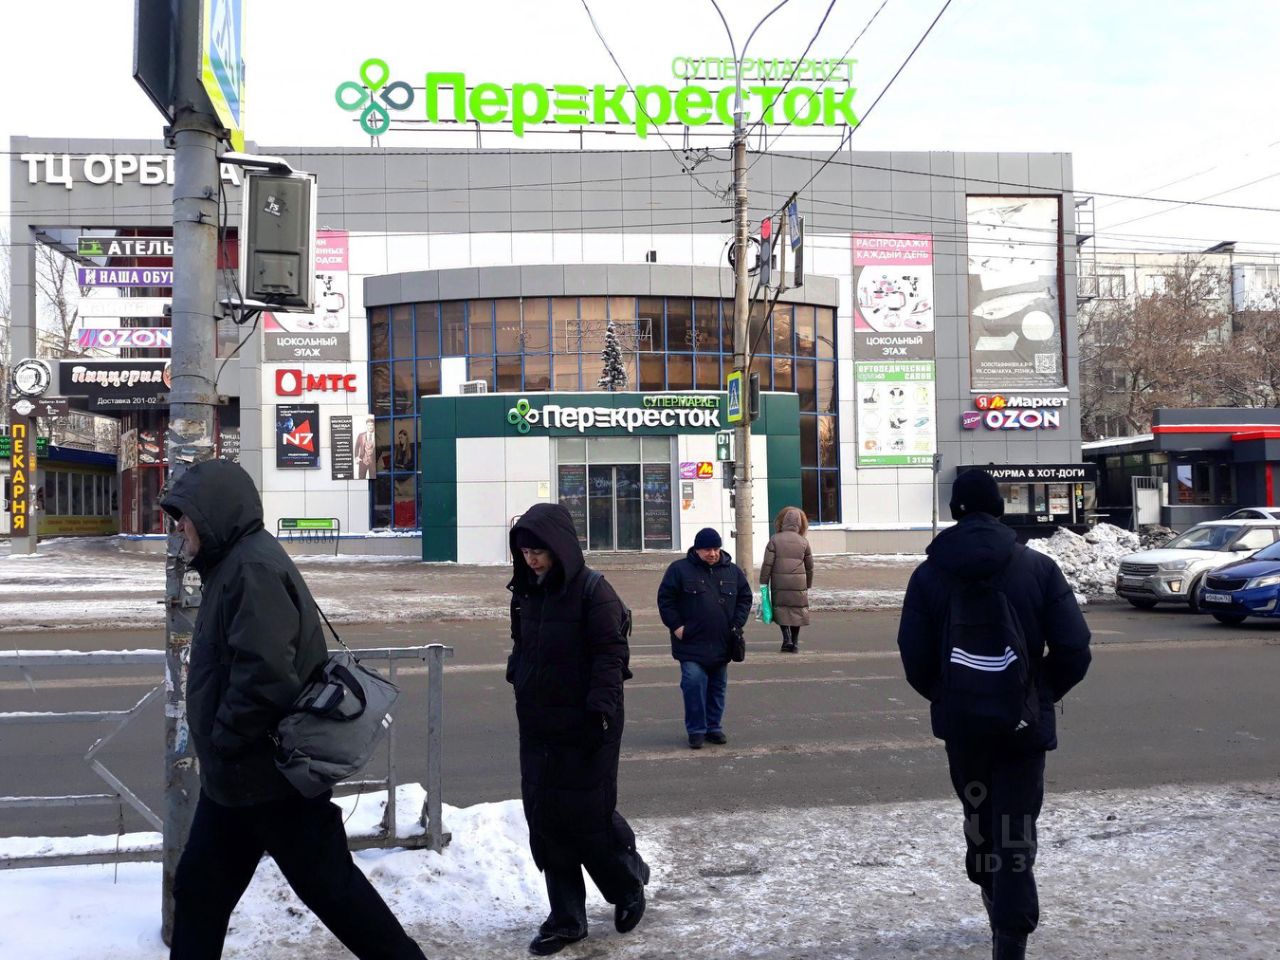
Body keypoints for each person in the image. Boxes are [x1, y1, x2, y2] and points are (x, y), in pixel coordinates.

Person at [160, 460, 427, 960]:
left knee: (334, 892)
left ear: (212, 514)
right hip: (237, 781)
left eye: (185, 517)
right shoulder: (234, 563)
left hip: (266, 777)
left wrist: (224, 738)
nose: (180, 529)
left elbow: (265, 675)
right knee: (200, 891)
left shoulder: (251, 569)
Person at [896, 469, 1091, 960]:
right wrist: (1037, 691)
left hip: (964, 727)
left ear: (954, 511)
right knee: (1016, 830)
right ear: (1000, 510)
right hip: (1023, 727)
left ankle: (990, 893)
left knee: (980, 815)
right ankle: (1010, 938)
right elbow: (1074, 648)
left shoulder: (928, 575)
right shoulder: (1038, 568)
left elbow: (914, 657)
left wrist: (947, 695)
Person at [507, 502, 650, 956]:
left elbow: (611, 655)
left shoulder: (594, 592)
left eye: (539, 551)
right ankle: (567, 920)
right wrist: (518, 674)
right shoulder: (526, 592)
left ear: (560, 547)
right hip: (539, 723)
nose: (531, 559)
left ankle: (627, 886)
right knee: (546, 821)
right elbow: (522, 644)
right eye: (525, 552)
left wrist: (600, 711)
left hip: (588, 723)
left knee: (587, 818)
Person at [657, 527, 753, 749]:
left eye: (716, 549)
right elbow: (666, 600)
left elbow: (745, 598)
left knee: (717, 688)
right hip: (691, 643)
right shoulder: (679, 570)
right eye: (708, 549)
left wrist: (737, 624)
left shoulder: (732, 571)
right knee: (693, 684)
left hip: (722, 642)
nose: (713, 553)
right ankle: (696, 730)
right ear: (697, 549)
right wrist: (677, 627)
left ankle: (713, 727)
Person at [759, 506, 814, 653]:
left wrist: (763, 582)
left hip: (780, 582)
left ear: (782, 522)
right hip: (798, 582)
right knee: (797, 611)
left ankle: (786, 639)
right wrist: (808, 584)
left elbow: (767, 564)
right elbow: (809, 566)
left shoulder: (774, 540)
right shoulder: (803, 542)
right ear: (800, 524)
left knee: (781, 609)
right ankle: (794, 643)